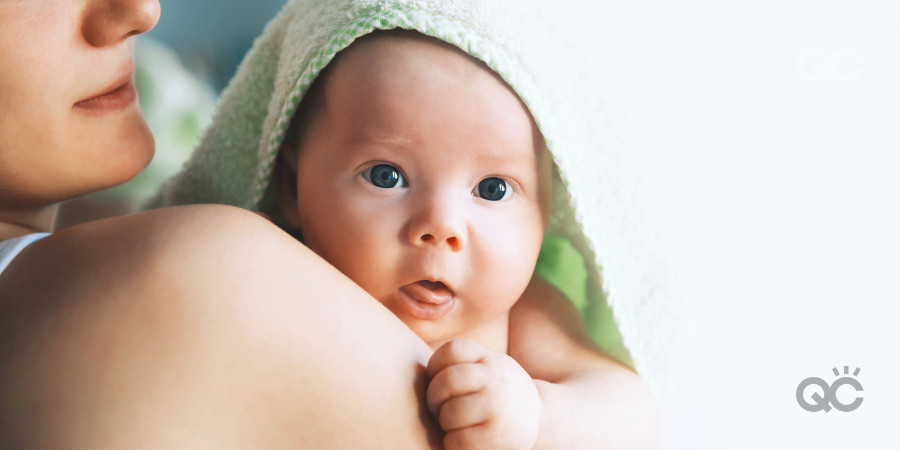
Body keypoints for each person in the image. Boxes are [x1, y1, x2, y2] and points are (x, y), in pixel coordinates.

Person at [152, 0, 660, 447]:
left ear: (547, 209)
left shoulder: (520, 319)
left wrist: (537, 419)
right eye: (386, 175)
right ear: (292, 185)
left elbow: (633, 414)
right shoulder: (277, 271)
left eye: (493, 189)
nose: (440, 227)